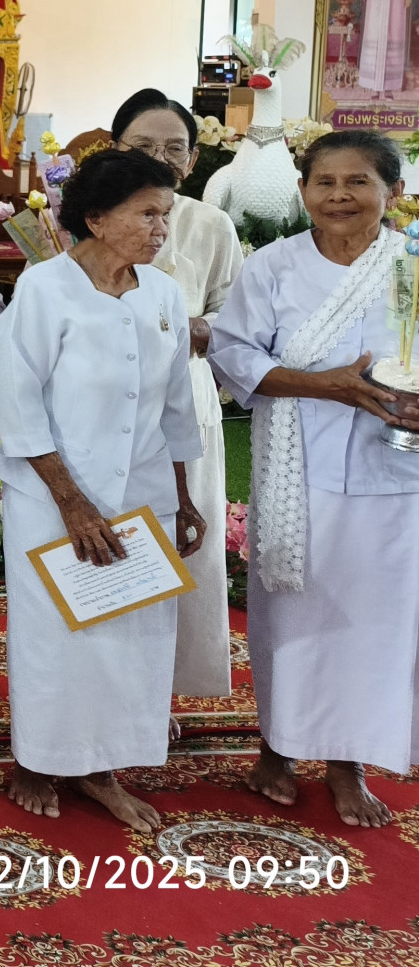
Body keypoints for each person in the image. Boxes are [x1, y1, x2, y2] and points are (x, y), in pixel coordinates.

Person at [209, 128, 419, 828]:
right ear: (302, 193)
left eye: (357, 182)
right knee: (290, 616)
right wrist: (325, 386)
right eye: (323, 183)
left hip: (393, 472)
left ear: (391, 192)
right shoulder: (271, 266)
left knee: (372, 621)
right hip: (293, 466)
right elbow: (235, 356)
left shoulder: (410, 264)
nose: (338, 197)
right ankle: (276, 746)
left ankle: (347, 761)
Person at [0, 148, 204, 832]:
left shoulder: (164, 294)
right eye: (146, 213)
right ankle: (37, 757)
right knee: (56, 632)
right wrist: (72, 502)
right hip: (50, 497)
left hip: (142, 491)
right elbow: (19, 406)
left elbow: (174, 407)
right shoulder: (44, 289)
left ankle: (99, 768)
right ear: (95, 217)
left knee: (131, 631)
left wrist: (184, 497)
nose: (158, 229)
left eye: (164, 215)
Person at [109, 89, 243, 702]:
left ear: (193, 161)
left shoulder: (211, 224)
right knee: (110, 538)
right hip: (104, 399)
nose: (160, 158)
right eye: (143, 146)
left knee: (181, 541)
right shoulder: (82, 216)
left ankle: (165, 688)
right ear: (114, 149)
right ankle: (110, 685)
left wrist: (202, 328)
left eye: (175, 148)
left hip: (184, 397)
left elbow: (234, 320)